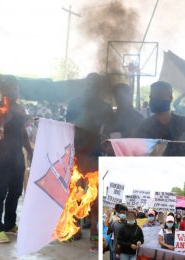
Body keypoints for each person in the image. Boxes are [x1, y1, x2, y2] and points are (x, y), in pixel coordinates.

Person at [66, 73, 114, 246]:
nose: (91, 86)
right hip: (77, 155)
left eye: (94, 83)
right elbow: (67, 127)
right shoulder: (74, 104)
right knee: (74, 192)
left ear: (99, 86)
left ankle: (94, 231)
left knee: (94, 196)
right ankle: (75, 229)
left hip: (96, 155)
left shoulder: (106, 108)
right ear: (86, 84)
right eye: (89, 82)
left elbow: (109, 132)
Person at [0, 76, 33, 243]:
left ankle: (9, 224)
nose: (14, 91)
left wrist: (29, 150)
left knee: (15, 192)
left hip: (17, 156)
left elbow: (23, 132)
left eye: (15, 88)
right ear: (3, 91)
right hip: (1, 155)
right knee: (0, 192)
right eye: (10, 88)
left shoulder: (20, 109)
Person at [136, 81, 185, 156]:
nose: (153, 101)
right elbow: (138, 154)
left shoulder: (183, 122)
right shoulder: (144, 126)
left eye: (158, 97)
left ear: (170, 99)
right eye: (151, 98)